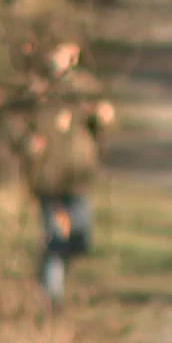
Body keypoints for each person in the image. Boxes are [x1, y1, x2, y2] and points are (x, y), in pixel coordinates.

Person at [15, 41, 115, 305]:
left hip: (79, 179)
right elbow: (21, 129)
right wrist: (28, 145)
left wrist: (104, 119)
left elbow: (101, 129)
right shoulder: (38, 91)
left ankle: (51, 278)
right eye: (58, 51)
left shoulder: (87, 88)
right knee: (56, 238)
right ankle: (52, 297)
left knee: (79, 238)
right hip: (49, 179)